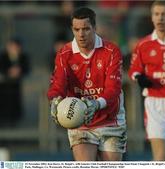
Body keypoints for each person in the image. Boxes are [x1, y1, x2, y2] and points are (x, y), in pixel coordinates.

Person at [47, 7, 127, 161]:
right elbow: (58, 84)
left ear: (95, 28)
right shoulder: (64, 54)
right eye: (77, 29)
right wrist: (54, 100)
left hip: (110, 119)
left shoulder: (111, 51)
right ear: (72, 29)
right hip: (79, 119)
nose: (81, 34)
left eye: (86, 29)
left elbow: (113, 89)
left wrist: (96, 104)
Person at [128, 1, 165, 161]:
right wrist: (139, 78)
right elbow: (133, 69)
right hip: (155, 104)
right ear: (152, 17)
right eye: (157, 14)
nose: (160, 18)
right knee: (160, 158)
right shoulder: (143, 44)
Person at [0, 37, 30, 127]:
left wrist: (19, 71)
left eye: (16, 47)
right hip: (4, 89)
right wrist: (9, 72)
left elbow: (27, 69)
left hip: (16, 90)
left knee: (15, 113)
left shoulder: (23, 57)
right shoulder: (3, 57)